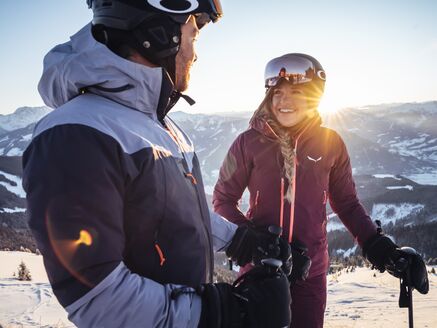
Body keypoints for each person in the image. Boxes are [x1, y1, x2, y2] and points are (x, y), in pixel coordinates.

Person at [22, 1, 292, 327]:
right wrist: (222, 313)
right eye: (193, 36)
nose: (195, 54)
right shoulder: (76, 134)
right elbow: (97, 297)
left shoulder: (164, 129)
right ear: (159, 35)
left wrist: (241, 240)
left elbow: (179, 212)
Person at [213, 53, 429, 327]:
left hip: (309, 274)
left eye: (296, 92)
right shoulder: (246, 144)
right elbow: (223, 200)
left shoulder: (331, 143)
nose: (284, 101)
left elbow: (347, 204)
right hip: (260, 270)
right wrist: (251, 240)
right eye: (277, 93)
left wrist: (379, 247)